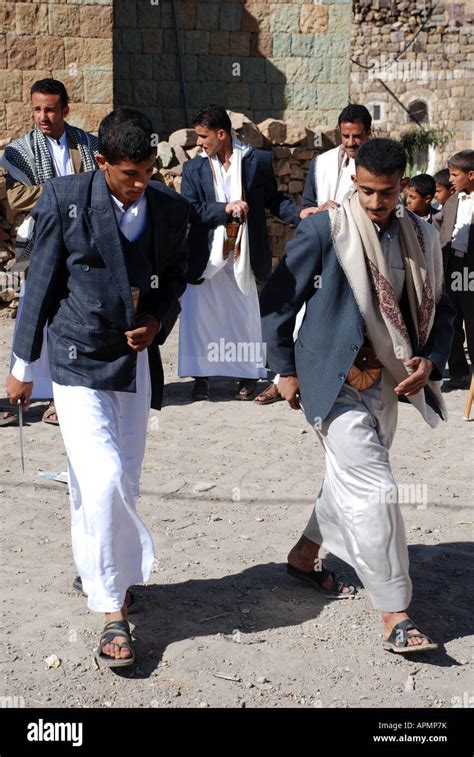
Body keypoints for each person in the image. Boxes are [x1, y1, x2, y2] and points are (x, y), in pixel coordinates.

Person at [6, 108, 189, 668]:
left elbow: (174, 279)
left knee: (117, 481)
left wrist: (157, 320)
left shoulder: (169, 210)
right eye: (128, 174)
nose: (139, 185)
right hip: (73, 358)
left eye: (147, 172)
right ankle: (113, 611)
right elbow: (39, 283)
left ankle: (98, 568)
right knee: (102, 474)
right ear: (102, 162)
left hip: (133, 364)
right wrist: (20, 365)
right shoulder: (64, 198)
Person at [261, 138, 454, 653]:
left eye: (386, 193)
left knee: (349, 478)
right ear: (355, 182)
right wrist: (283, 369)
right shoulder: (326, 228)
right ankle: (395, 612)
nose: (374, 203)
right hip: (332, 380)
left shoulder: (422, 236)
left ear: (402, 187)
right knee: (374, 488)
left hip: (390, 382)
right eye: (366, 191)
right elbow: (278, 301)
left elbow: (443, 310)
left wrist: (429, 360)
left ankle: (304, 556)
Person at [178, 105, 299, 402]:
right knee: (199, 312)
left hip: (243, 254)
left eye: (204, 136)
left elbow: (273, 200)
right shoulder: (194, 168)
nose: (199, 143)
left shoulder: (257, 161)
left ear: (222, 134)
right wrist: (225, 209)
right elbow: (189, 209)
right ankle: (201, 377)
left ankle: (247, 374)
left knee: (244, 314)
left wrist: (301, 216)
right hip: (207, 254)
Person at [255, 103, 373, 406]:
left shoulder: (376, 164)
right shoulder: (321, 163)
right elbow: (308, 201)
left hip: (355, 249)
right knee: (297, 313)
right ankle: (282, 377)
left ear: (368, 134)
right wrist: (310, 212)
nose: (350, 142)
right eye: (345, 135)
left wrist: (342, 211)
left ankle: (339, 377)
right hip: (318, 245)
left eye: (356, 136)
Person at [0, 78, 98, 427]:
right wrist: (66, 192)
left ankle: (64, 395)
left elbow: (101, 184)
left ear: (65, 110)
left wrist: (59, 193)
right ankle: (29, 388)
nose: (42, 116)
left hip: (84, 243)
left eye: (50, 109)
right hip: (42, 242)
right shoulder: (19, 151)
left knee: (73, 319)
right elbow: (15, 199)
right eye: (37, 109)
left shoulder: (88, 144)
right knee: (35, 315)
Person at [434, 150, 474, 390]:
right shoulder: (452, 200)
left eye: (454, 174)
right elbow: (439, 224)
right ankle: (458, 371)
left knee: (472, 320)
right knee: (451, 320)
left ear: (471, 175)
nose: (450, 179)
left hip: (471, 269)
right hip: (451, 266)